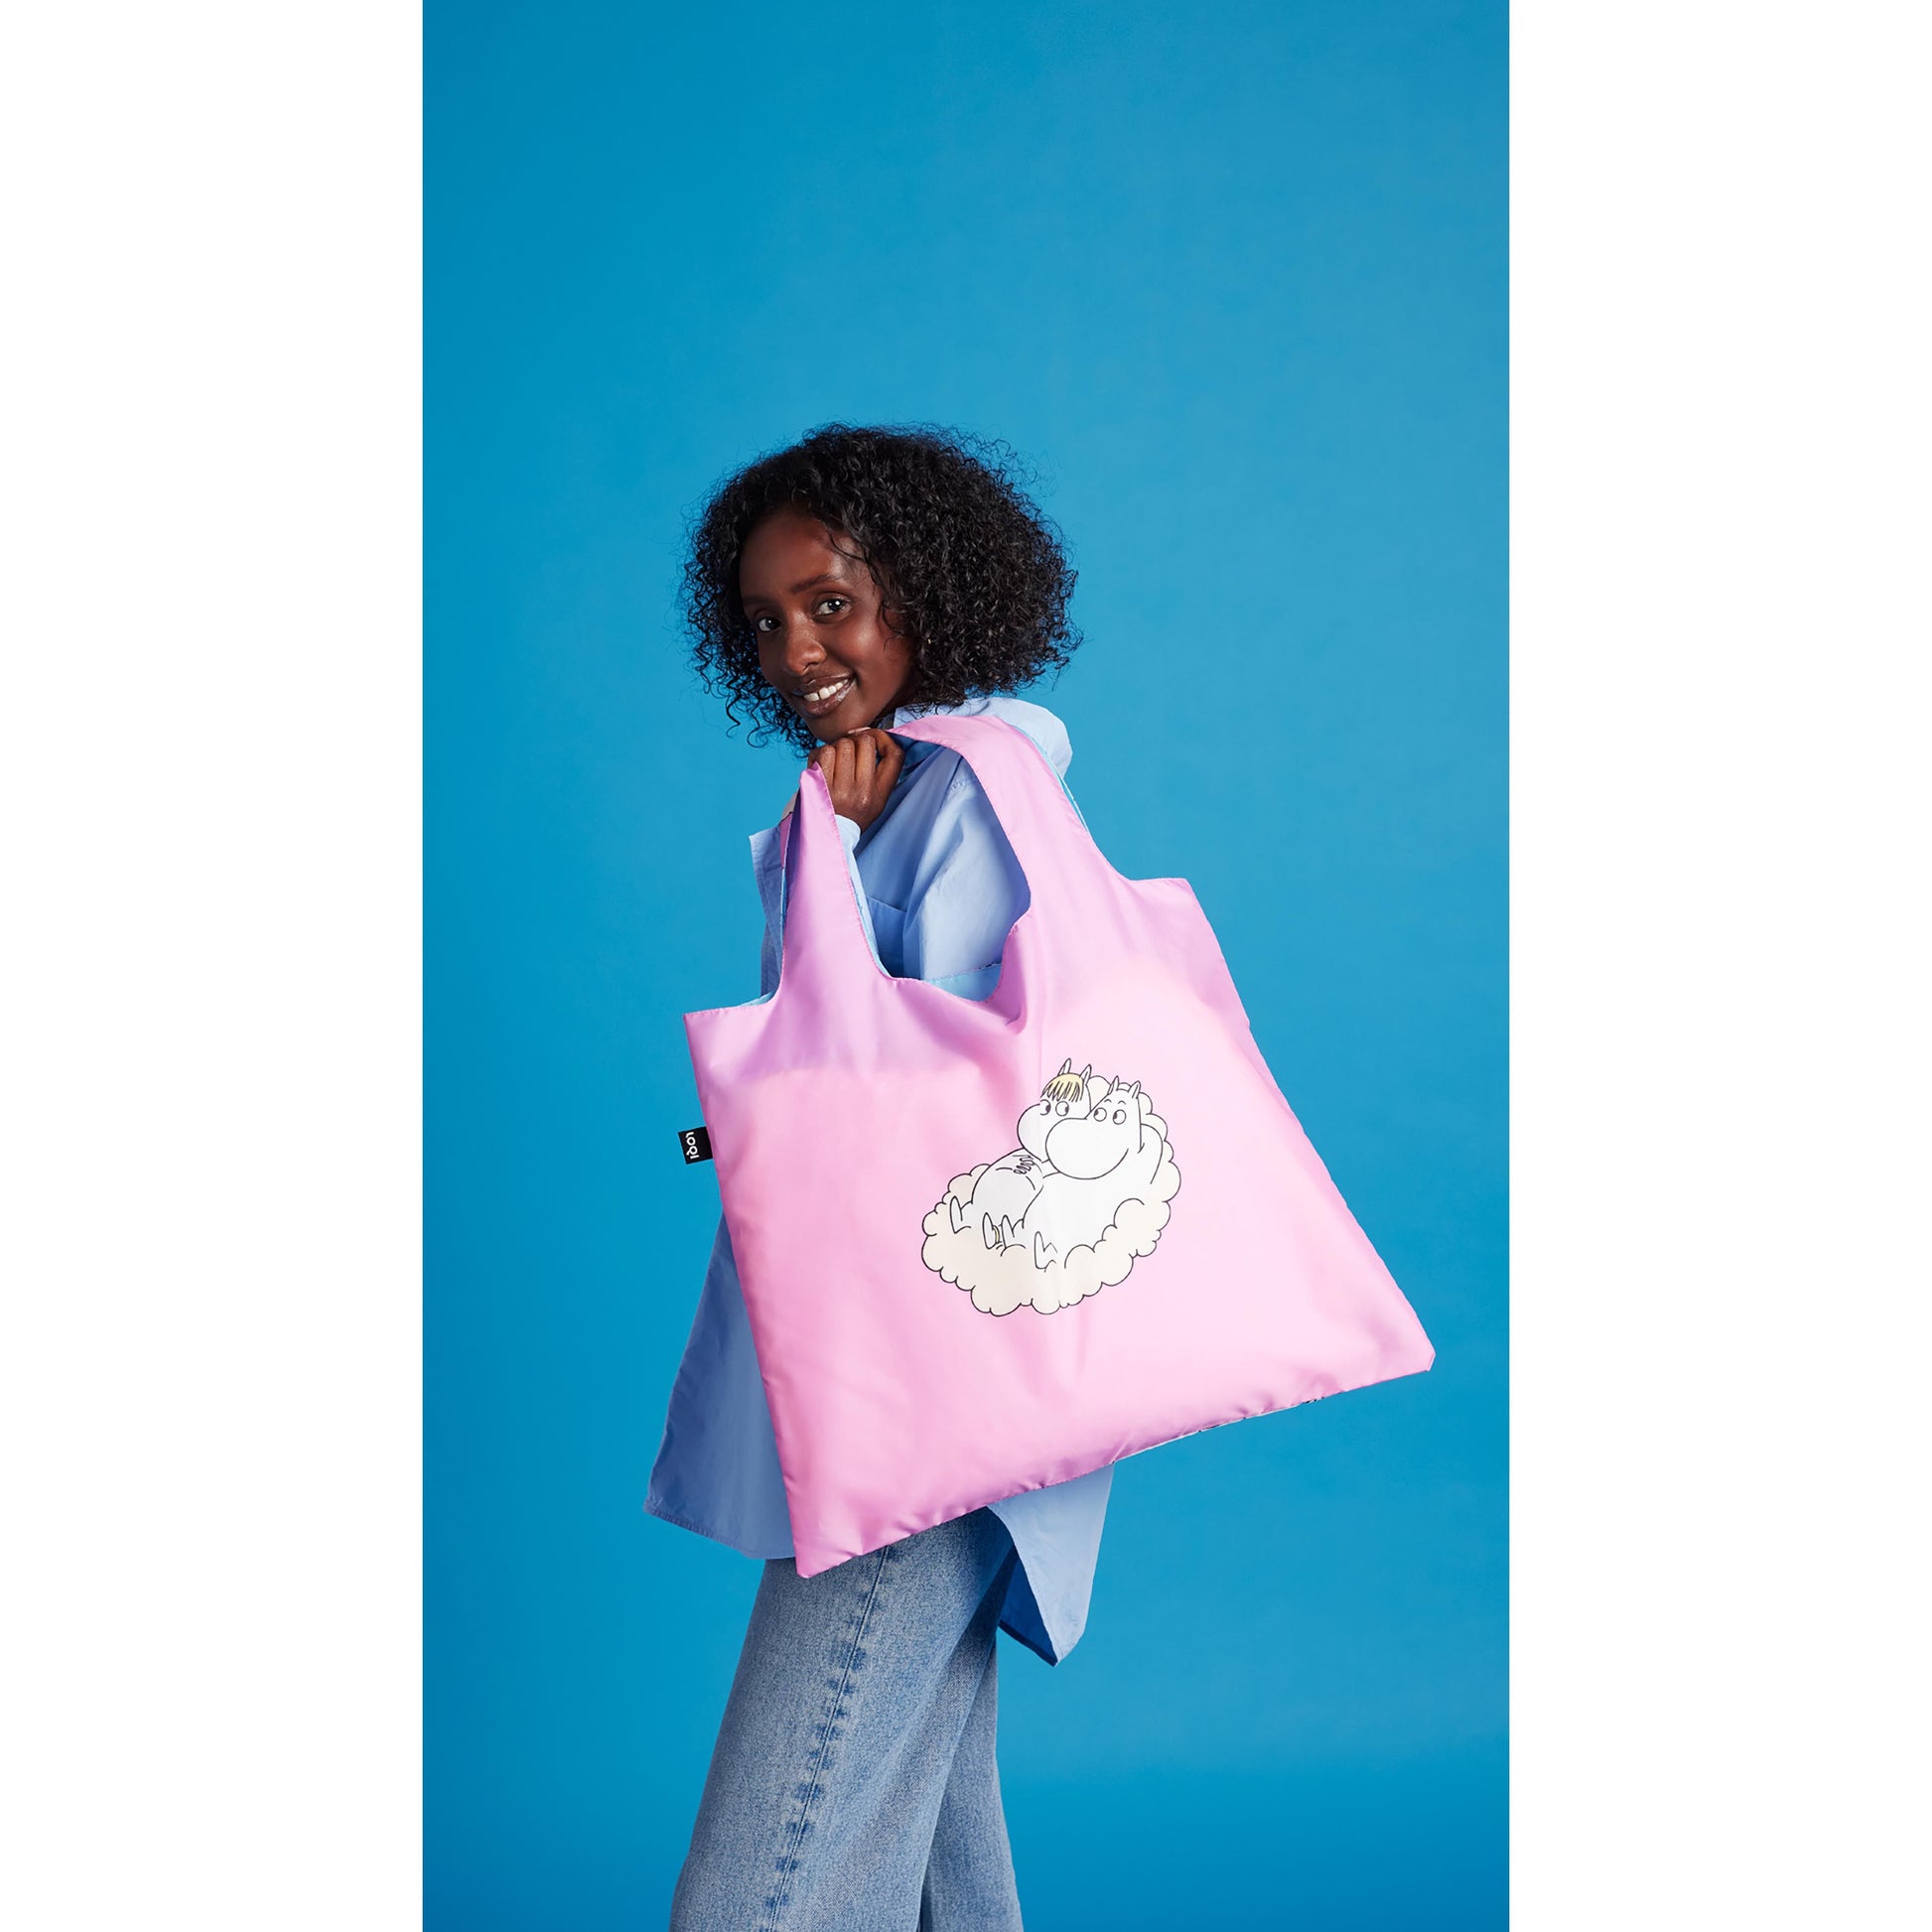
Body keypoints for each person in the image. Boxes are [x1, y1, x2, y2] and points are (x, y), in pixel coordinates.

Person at [649, 424, 1111, 1930]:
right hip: (915, 1371)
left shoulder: (962, 793)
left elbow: (964, 1105)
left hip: (935, 1385)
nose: (796, 649)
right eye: (765, 620)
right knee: (933, 1857)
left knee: (760, 1886)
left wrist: (838, 875)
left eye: (831, 602)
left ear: (924, 593)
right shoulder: (883, 798)